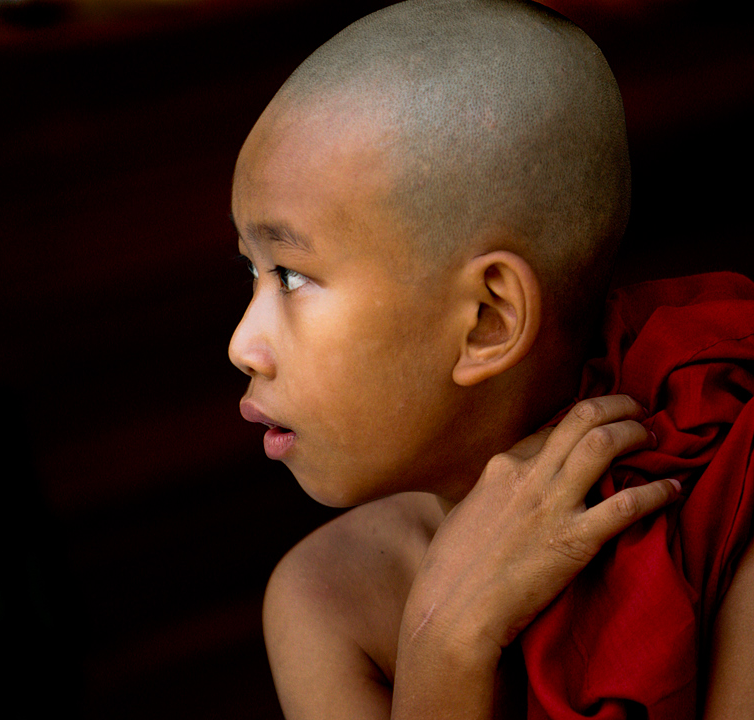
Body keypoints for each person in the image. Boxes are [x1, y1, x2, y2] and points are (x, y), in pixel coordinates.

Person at [226, 1, 754, 717]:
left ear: (486, 321)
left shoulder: (726, 490)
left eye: (291, 276)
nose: (242, 344)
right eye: (250, 272)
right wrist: (441, 647)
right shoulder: (329, 594)